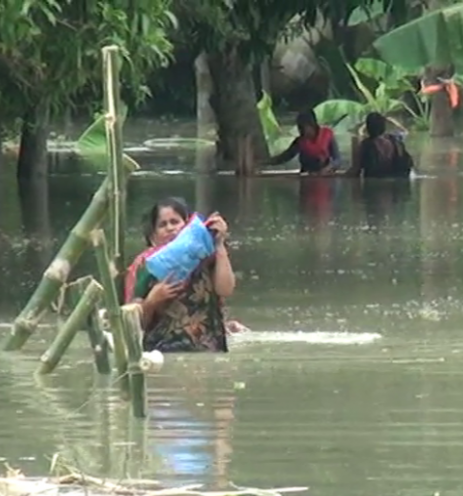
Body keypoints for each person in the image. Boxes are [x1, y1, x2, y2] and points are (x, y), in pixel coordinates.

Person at [124, 197, 247, 353]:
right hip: (161, 354)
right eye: (163, 225)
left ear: (187, 225)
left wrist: (219, 243)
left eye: (175, 222)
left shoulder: (205, 256)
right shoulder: (145, 265)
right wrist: (152, 300)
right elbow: (131, 323)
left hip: (210, 351)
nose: (170, 228)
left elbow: (225, 290)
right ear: (153, 235)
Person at [267, 110, 341, 174]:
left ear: (312, 125)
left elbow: (337, 159)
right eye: (300, 128)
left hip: (325, 175)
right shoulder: (300, 141)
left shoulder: (327, 135)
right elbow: (284, 157)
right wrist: (266, 162)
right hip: (307, 175)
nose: (303, 132)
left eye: (304, 127)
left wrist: (328, 168)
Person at [348, 112, 414, 179]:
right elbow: (405, 131)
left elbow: (355, 171)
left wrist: (362, 128)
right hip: (397, 181)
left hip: (375, 182)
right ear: (384, 126)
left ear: (368, 127)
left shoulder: (365, 145)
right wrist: (393, 122)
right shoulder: (395, 140)